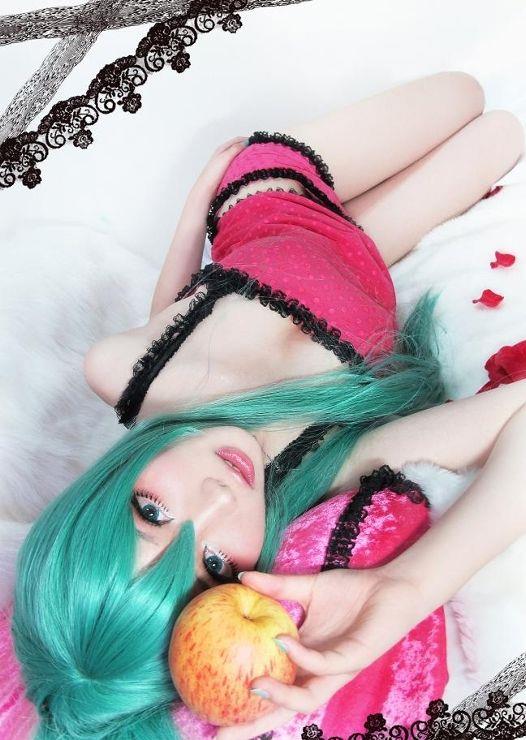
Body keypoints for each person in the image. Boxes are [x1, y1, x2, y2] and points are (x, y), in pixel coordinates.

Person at [2, 71, 526, 739]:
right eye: (213, 565)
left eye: (151, 512)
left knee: (466, 94)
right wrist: (412, 587)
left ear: (100, 493)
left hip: (275, 197)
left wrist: (196, 209)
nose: (218, 499)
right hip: (364, 255)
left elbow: (174, 313)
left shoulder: (123, 372)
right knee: (502, 135)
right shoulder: (319, 468)